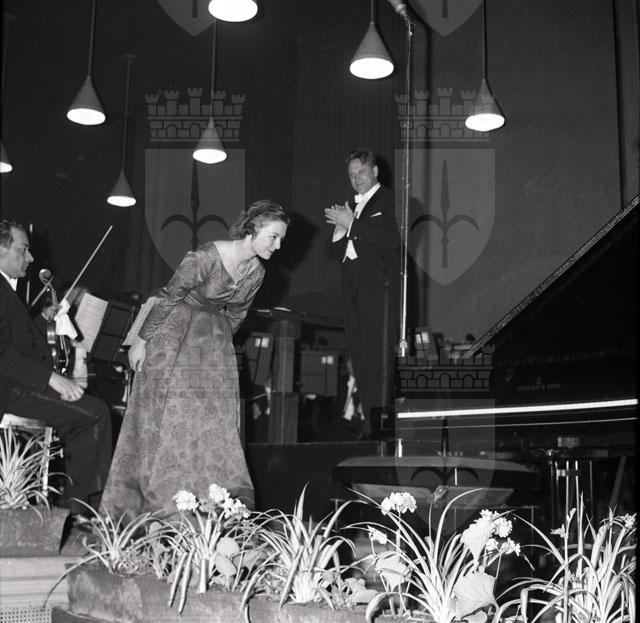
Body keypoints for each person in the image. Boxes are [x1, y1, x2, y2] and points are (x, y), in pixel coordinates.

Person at [100, 200, 289, 518]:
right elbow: (168, 296)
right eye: (273, 236)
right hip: (174, 333)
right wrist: (141, 341)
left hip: (211, 343)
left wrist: (218, 347)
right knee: (169, 416)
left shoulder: (257, 272)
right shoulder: (206, 256)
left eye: (281, 238)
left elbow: (237, 315)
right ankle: (156, 506)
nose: (278, 245)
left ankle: (204, 508)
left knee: (210, 422)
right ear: (252, 230)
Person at [0, 220, 112, 514]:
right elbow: (2, 353)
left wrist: (41, 320)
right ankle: (84, 512)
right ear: (1, 250)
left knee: (91, 412)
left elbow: (17, 342)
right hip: (10, 389)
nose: (30, 258)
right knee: (94, 414)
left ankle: (78, 505)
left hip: (16, 383)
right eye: (23, 250)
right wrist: (52, 378)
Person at [324, 149, 400, 436]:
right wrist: (340, 229)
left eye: (362, 172)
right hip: (352, 289)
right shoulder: (351, 207)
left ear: (375, 171)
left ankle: (379, 429)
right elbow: (334, 254)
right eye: (352, 174)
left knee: (378, 358)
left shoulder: (391, 200)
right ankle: (370, 423)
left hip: (378, 291)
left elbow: (392, 239)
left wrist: (353, 225)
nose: (356, 179)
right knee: (359, 357)